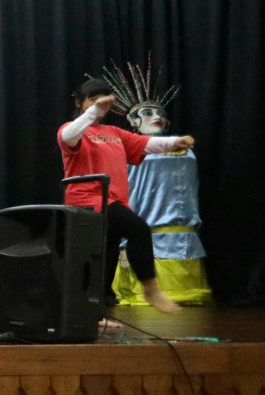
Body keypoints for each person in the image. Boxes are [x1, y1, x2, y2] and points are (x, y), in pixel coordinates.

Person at [59, 79, 192, 317]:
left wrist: (174, 142)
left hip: (114, 201)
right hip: (87, 200)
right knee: (138, 229)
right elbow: (69, 136)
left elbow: (146, 143)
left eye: (102, 99)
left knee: (106, 255)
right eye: (91, 98)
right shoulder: (72, 128)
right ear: (79, 103)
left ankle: (94, 315)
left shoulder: (114, 133)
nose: (98, 103)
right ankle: (151, 290)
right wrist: (94, 111)